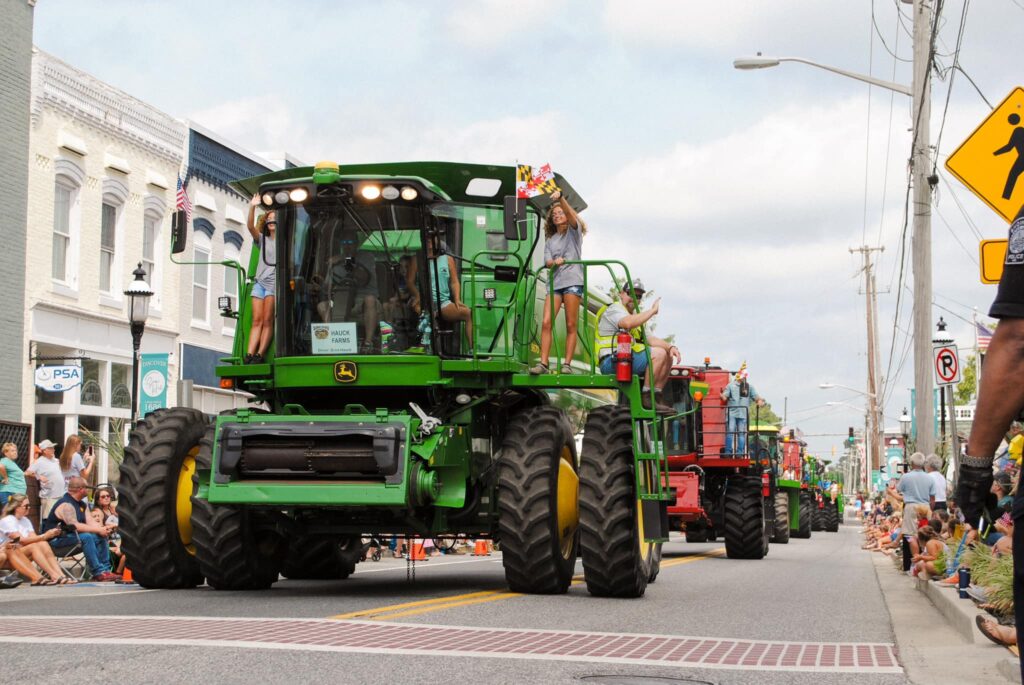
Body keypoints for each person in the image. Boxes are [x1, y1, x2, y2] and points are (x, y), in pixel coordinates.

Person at [594, 279, 679, 409]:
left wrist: (671, 347)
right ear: (621, 293)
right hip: (611, 361)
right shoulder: (614, 309)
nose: (634, 298)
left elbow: (651, 339)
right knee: (659, 354)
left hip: (627, 359)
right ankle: (646, 396)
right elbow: (627, 323)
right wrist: (652, 311)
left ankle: (656, 396)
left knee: (667, 355)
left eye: (638, 296)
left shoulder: (637, 317)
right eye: (631, 293)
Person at [531, 190, 586, 375]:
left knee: (571, 324)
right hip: (555, 283)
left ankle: (567, 364)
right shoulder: (550, 241)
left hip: (572, 281)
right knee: (547, 322)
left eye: (560, 212)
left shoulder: (574, 232)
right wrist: (554, 262)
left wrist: (561, 198)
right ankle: (543, 363)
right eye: (554, 215)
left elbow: (572, 216)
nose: (557, 216)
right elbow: (547, 261)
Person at [41, 476, 119, 582]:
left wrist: (103, 529)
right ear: (81, 489)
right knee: (87, 536)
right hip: (56, 542)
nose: (88, 490)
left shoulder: (82, 504)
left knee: (100, 535)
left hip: (72, 539)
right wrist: (98, 530)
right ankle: (98, 572)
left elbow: (91, 523)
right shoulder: (66, 504)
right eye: (87, 487)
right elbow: (75, 525)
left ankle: (105, 571)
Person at [406, 233, 472, 351]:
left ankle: (472, 351)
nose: (429, 241)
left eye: (432, 238)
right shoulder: (417, 259)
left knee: (468, 313)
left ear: (437, 239)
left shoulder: (448, 259)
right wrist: (417, 295)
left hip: (443, 303)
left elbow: (454, 281)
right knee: (425, 318)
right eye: (426, 238)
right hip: (424, 302)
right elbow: (410, 282)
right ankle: (422, 348)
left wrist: (457, 299)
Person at [319, 229, 381, 352]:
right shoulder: (335, 262)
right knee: (322, 306)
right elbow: (327, 287)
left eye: (350, 242)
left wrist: (345, 259)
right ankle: (333, 340)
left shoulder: (366, 257)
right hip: (342, 300)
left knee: (370, 300)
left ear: (357, 243)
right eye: (345, 242)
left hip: (364, 300)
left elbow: (363, 277)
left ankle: (368, 343)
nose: (347, 245)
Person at [0, 494, 71, 584]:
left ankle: (59, 575)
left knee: (43, 544)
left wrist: (49, 535)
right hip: (8, 553)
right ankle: (50, 575)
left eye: (29, 505)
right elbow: (20, 540)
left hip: (18, 552)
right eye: (26, 506)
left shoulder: (25, 520)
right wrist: (44, 536)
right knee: (33, 546)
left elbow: (34, 538)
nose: (29, 508)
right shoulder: (7, 520)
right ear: (16, 507)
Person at [245, 196, 275, 364]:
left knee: (267, 320)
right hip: (260, 283)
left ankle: (260, 354)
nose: (272, 222)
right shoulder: (263, 240)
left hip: (273, 284)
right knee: (257, 320)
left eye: (275, 220)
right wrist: (252, 207)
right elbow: (250, 227)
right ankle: (250, 354)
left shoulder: (285, 242)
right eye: (269, 219)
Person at [895, 452, 937, 572]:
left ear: (912, 463)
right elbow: (932, 498)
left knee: (910, 536)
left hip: (911, 507)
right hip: (925, 507)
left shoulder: (906, 477)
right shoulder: (929, 478)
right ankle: (923, 561)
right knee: (925, 535)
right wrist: (931, 511)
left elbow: (899, 490)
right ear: (923, 463)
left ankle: (912, 564)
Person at [720, 365, 765, 456]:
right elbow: (725, 397)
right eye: (743, 375)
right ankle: (728, 452)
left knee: (741, 433)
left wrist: (760, 401)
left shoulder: (749, 387)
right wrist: (721, 395)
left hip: (743, 414)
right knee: (730, 432)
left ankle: (739, 453)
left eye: (745, 375)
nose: (744, 377)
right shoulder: (731, 386)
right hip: (732, 413)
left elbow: (756, 397)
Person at [24, 439, 64, 517]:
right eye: (51, 448)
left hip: (60, 495)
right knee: (49, 519)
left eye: (53, 448)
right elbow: (27, 472)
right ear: (45, 450)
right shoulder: (39, 462)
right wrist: (38, 476)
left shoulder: (56, 461)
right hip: (49, 497)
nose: (54, 449)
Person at [0, 442, 27, 506]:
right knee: (9, 514)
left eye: (15, 450)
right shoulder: (5, 460)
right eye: (12, 451)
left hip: (16, 493)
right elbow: (0, 466)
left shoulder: (11, 463)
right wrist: (6, 478)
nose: (15, 452)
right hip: (10, 492)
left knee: (13, 515)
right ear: (6, 453)